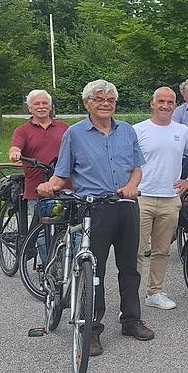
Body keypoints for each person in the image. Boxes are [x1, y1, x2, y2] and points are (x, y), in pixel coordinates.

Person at [37, 79, 154, 357]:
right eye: (99, 99)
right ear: (87, 103)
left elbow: (137, 168)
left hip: (126, 205)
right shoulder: (75, 134)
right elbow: (62, 172)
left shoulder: (126, 130)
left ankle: (131, 320)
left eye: (110, 99)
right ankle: (90, 329)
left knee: (129, 267)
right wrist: (50, 185)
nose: (106, 104)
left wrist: (132, 185)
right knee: (94, 271)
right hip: (93, 209)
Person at [134, 87, 188, 310]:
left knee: (161, 250)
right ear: (152, 104)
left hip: (170, 198)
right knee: (135, 251)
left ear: (175, 105)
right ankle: (130, 298)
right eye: (161, 101)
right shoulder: (138, 130)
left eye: (170, 102)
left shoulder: (182, 131)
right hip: (142, 197)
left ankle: (154, 292)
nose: (165, 106)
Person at [9, 89, 70, 218]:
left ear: (51, 106)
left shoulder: (65, 128)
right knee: (40, 231)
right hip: (36, 186)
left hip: (65, 185)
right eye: (37, 104)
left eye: (45, 103)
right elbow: (15, 147)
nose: (41, 107)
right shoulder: (22, 130)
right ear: (30, 108)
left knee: (71, 227)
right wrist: (15, 153)